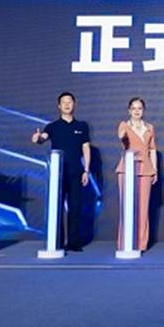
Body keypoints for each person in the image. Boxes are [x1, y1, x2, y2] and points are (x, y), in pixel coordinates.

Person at [31, 92, 92, 252]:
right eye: (63, 102)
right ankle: (56, 241)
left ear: (74, 104)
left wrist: (86, 170)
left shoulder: (82, 126)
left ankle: (73, 242)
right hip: (57, 174)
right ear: (59, 106)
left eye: (69, 102)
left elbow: (86, 148)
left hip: (76, 173)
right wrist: (37, 138)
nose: (67, 105)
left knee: (75, 208)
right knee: (56, 207)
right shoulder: (52, 126)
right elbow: (42, 138)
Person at [116, 97, 158, 252]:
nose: (136, 111)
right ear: (129, 110)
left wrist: (155, 169)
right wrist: (123, 134)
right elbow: (121, 136)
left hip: (146, 169)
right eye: (133, 108)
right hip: (127, 169)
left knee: (143, 208)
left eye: (139, 108)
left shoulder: (149, 128)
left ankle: (141, 244)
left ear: (143, 110)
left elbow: (152, 150)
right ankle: (125, 243)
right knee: (127, 206)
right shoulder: (124, 125)